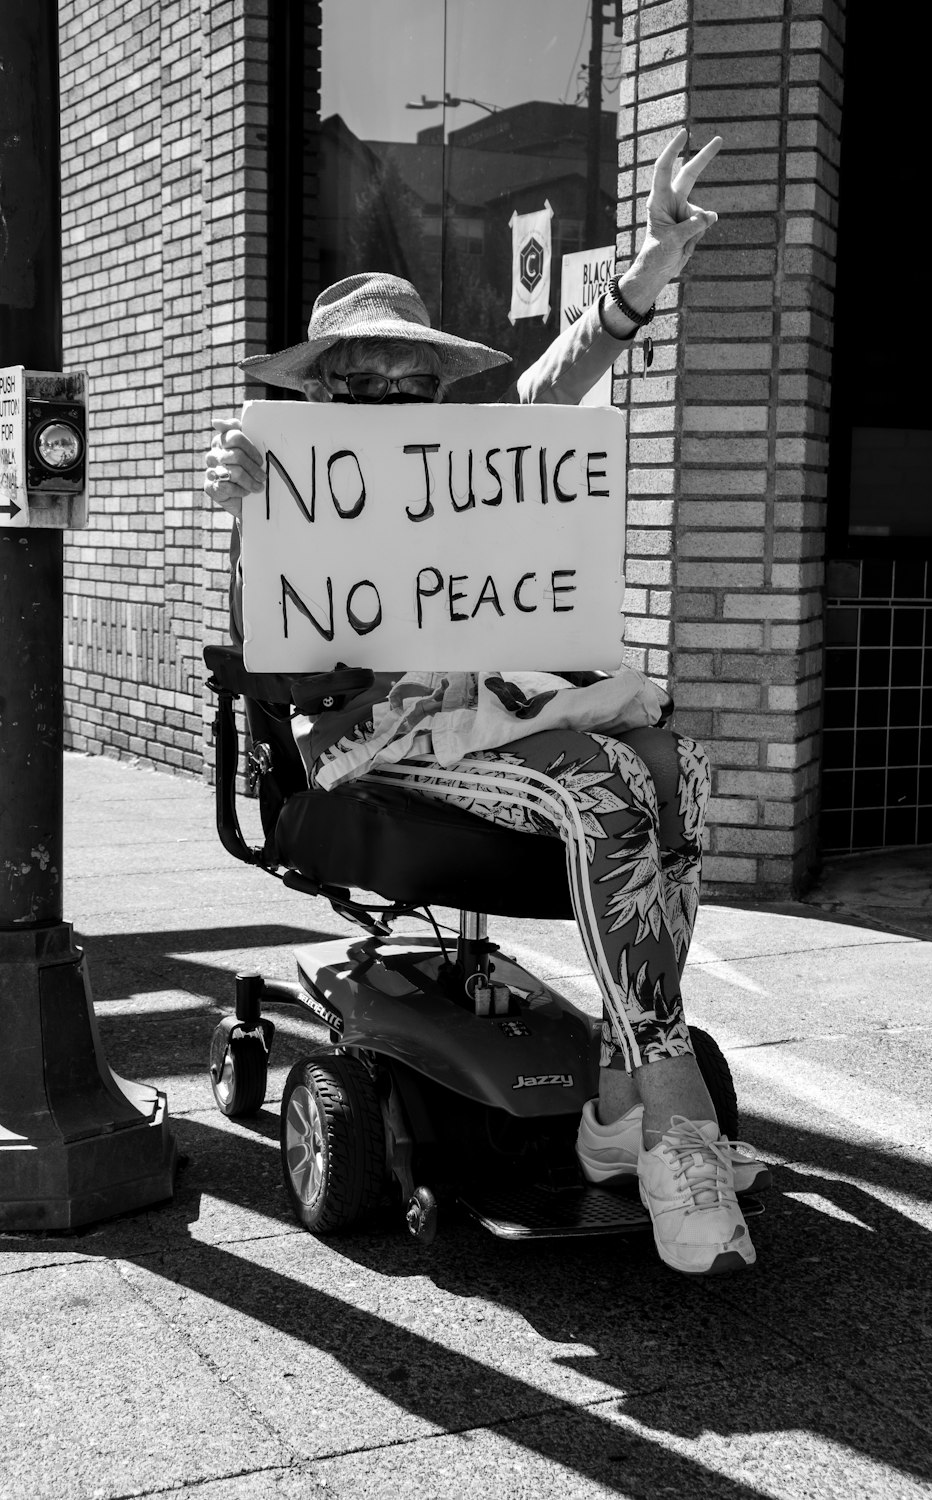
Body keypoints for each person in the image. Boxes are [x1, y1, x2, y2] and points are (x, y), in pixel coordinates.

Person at [205, 129, 769, 1276]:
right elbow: (276, 658)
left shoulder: (467, 460)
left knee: (679, 765)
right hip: (377, 735)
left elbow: (562, 374)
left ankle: (623, 1096)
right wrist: (247, 516)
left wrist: (655, 258)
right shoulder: (285, 481)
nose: (389, 395)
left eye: (411, 378)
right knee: (607, 783)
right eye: (359, 379)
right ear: (319, 388)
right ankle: (664, 1119)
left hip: (492, 706)